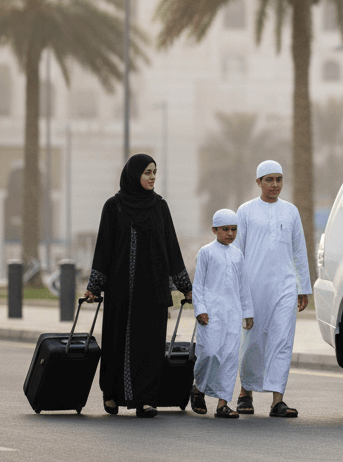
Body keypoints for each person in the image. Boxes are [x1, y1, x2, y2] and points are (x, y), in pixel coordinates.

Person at [84, 153, 192, 418]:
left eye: (154, 172)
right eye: (147, 172)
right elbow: (104, 249)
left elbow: (172, 248)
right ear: (134, 175)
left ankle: (145, 399)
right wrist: (94, 286)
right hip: (121, 291)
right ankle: (111, 394)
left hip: (152, 291)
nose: (152, 177)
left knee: (150, 345)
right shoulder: (114, 206)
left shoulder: (159, 207)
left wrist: (185, 287)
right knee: (116, 342)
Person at [234, 159, 311, 418]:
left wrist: (303, 287)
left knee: (282, 341)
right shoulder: (245, 211)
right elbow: (237, 253)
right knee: (253, 341)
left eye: (279, 179)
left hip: (285, 286)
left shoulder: (291, 211)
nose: (275, 185)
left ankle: (278, 399)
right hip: (253, 287)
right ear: (258, 182)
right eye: (269, 180)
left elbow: (299, 251)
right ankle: (246, 393)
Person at [190, 209, 254, 419]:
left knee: (229, 357)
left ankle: (223, 404)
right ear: (214, 230)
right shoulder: (206, 252)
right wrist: (201, 310)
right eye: (225, 229)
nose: (230, 233)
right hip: (211, 314)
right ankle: (198, 389)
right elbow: (198, 286)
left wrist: (248, 313)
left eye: (233, 229)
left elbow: (243, 286)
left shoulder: (238, 255)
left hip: (233, 314)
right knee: (209, 353)